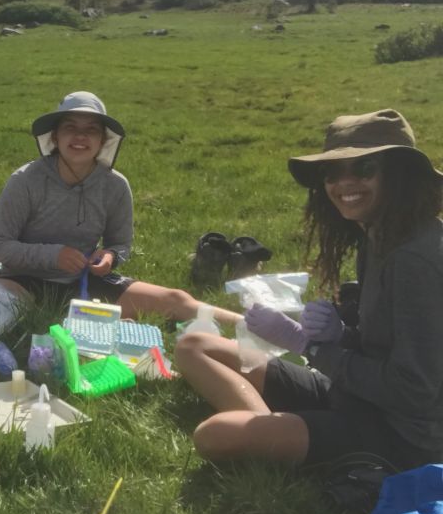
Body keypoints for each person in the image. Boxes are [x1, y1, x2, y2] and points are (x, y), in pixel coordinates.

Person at [175, 109, 443, 470]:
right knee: (195, 345)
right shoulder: (378, 234)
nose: (344, 184)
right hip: (354, 394)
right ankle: (273, 432)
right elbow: (382, 347)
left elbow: (415, 391)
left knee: (214, 435)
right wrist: (344, 334)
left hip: (402, 435)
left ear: (399, 174)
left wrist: (310, 346)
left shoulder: (417, 260)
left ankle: (270, 436)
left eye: (364, 168)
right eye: (332, 172)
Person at [0, 91, 241, 324]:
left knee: (176, 300)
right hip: (24, 282)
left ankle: (254, 326)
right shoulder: (26, 180)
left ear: (103, 140)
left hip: (85, 281)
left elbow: (120, 245)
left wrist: (109, 256)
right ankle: (62, 319)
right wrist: (54, 255)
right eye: (70, 128)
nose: (80, 137)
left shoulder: (115, 185)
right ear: (55, 136)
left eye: (91, 130)